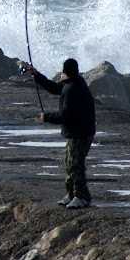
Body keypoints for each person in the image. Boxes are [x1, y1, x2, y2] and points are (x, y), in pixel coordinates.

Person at [27, 58, 96, 209]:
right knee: (69, 163)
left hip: (80, 134)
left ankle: (82, 197)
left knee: (75, 165)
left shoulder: (72, 89)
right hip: (78, 132)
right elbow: (54, 88)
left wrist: (47, 117)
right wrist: (36, 75)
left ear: (64, 71)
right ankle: (71, 195)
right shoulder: (73, 83)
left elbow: (65, 116)